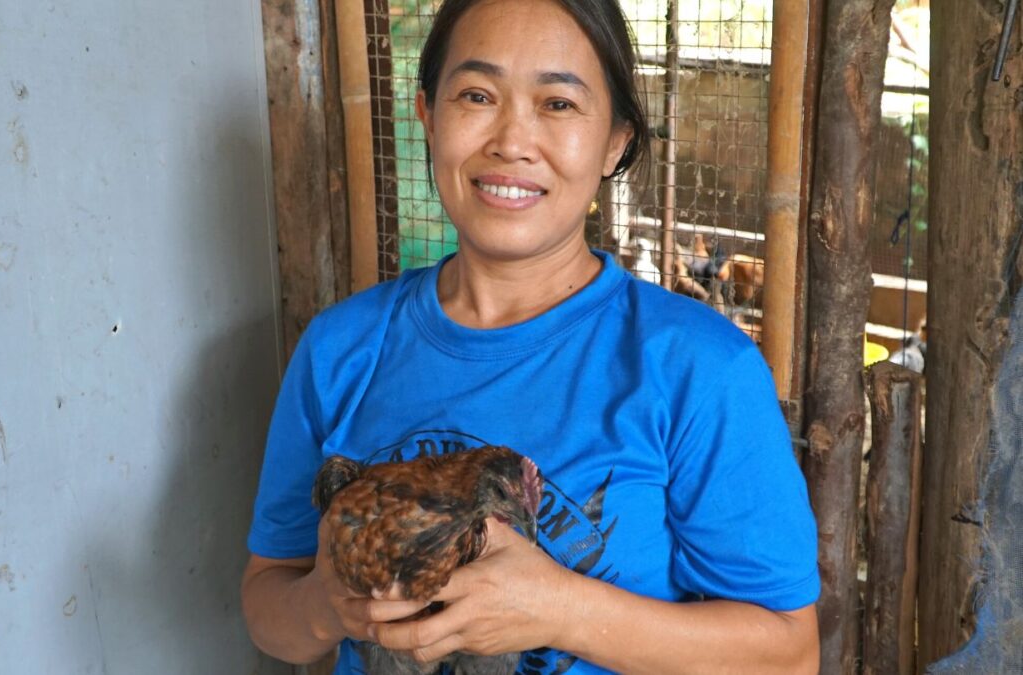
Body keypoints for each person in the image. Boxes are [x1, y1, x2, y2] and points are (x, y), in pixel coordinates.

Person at [241, 0, 821, 672]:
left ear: (615, 141)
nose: (512, 140)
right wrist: (328, 604)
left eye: (559, 104)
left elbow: (788, 655)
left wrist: (560, 608)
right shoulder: (338, 349)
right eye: (477, 95)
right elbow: (267, 602)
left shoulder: (698, 370)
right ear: (428, 115)